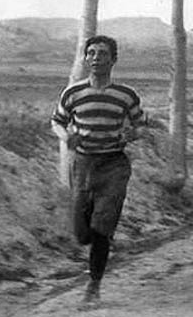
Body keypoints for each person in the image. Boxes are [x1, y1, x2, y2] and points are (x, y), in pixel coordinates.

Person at [51, 35, 148, 303]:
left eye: (102, 53)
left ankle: (93, 285)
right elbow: (56, 121)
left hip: (113, 165)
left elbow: (141, 125)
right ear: (85, 58)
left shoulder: (125, 95)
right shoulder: (73, 93)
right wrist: (65, 136)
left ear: (113, 59)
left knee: (102, 229)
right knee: (82, 234)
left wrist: (130, 135)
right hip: (83, 164)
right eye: (91, 53)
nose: (95, 58)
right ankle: (99, 239)